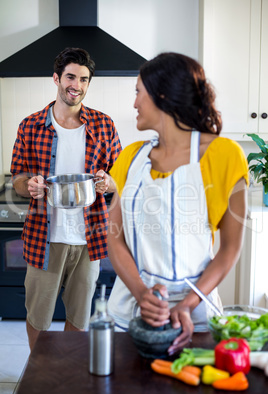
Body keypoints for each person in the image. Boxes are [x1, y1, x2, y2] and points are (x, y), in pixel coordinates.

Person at [107, 52, 249, 355]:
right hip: (130, 313)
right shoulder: (129, 158)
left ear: (161, 94)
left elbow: (229, 249)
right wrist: (142, 294)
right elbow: (113, 238)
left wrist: (187, 303)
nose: (134, 103)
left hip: (194, 319)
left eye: (137, 92)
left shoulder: (224, 155)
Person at [10, 47, 122, 351]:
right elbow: (18, 178)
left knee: (79, 315)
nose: (77, 85)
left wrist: (108, 182)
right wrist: (29, 184)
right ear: (57, 78)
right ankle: (39, 373)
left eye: (84, 79)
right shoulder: (30, 125)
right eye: (71, 77)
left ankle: (68, 376)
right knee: (38, 316)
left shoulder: (103, 125)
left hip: (89, 239)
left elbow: (118, 178)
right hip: (44, 237)